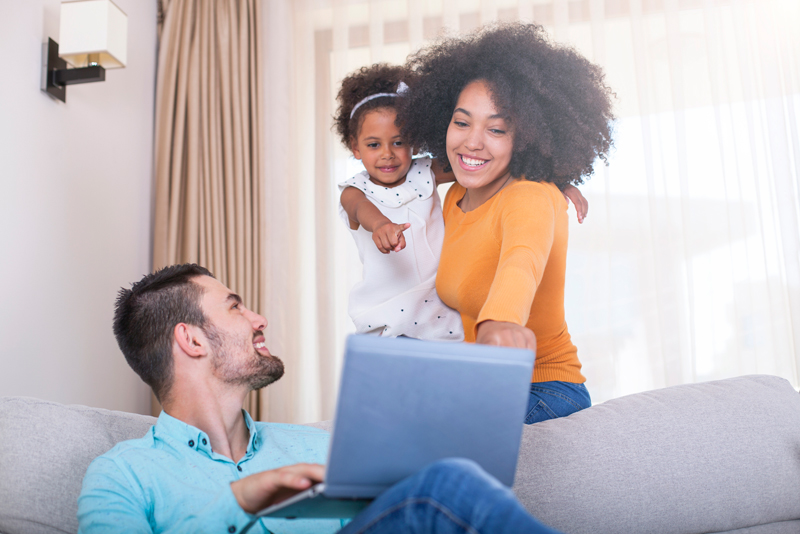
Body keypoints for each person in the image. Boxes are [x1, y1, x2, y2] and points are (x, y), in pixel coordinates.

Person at [77, 263, 563, 534]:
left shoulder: (318, 451)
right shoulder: (123, 475)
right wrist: (239, 502)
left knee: (448, 480)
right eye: (235, 307)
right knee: (450, 484)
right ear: (193, 341)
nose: (259, 318)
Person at [399, 23, 615, 424]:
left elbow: (522, 260)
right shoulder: (452, 200)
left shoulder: (531, 195)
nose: (473, 142)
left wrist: (499, 324)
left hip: (546, 389)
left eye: (496, 129)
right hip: (486, 384)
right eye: (462, 123)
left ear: (529, 137)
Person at [335, 63, 587, 341]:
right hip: (387, 310)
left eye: (398, 142)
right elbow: (359, 207)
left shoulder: (425, 174)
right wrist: (381, 224)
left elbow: (521, 261)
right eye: (373, 145)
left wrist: (555, 178)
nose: (387, 154)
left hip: (440, 317)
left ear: (414, 143)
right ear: (355, 147)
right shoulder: (358, 189)